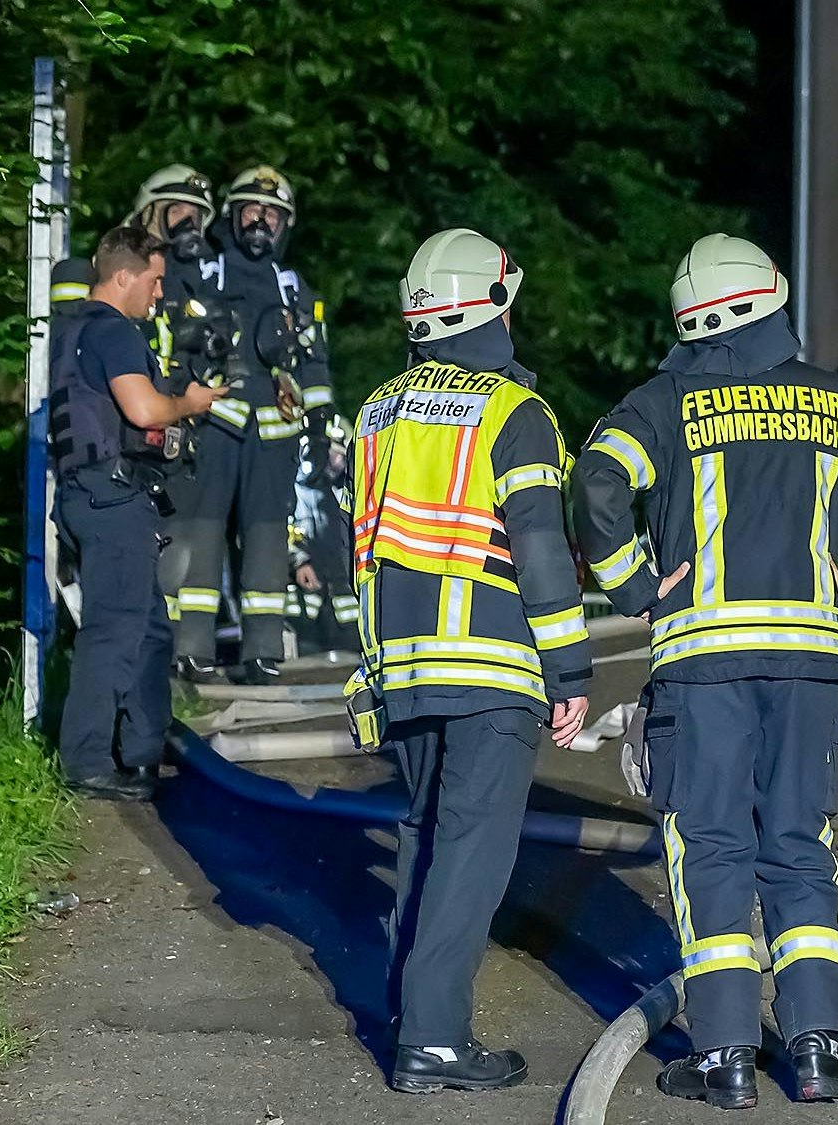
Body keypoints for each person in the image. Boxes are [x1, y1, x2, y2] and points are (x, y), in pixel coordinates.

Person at [576, 233, 838, 1108]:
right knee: (797, 846)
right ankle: (818, 1048)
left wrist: (636, 583)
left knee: (709, 846)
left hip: (703, 666)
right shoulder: (836, 406)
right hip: (807, 666)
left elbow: (596, 483)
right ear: (774, 300)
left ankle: (723, 1058)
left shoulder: (661, 402)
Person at [350, 228, 592, 1093]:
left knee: (422, 834)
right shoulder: (511, 410)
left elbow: (369, 545)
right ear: (491, 304)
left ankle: (410, 1012)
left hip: (405, 664)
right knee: (471, 849)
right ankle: (436, 1039)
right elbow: (538, 546)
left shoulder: (377, 406)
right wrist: (569, 669)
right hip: (490, 664)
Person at [50, 227, 227, 799]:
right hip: (112, 498)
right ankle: (87, 763)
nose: (158, 294)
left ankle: (143, 753)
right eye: (153, 280)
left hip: (93, 494)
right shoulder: (115, 333)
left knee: (149, 630)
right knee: (114, 631)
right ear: (123, 275)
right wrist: (190, 403)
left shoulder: (72, 330)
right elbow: (145, 409)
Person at [176, 165, 336, 684]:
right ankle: (191, 648)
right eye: (252, 210)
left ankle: (262, 650)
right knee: (201, 537)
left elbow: (313, 361)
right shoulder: (208, 271)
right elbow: (178, 339)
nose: (261, 221)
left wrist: (321, 418)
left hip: (274, 437)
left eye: (272, 213)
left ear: (284, 223)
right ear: (232, 217)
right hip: (215, 426)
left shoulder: (294, 287)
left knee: (267, 541)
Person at [125, 165, 239, 658]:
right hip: (139, 424)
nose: (189, 224)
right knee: (148, 540)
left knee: (192, 544)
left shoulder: (203, 277)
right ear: (151, 212)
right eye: (178, 212)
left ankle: (183, 652)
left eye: (196, 215)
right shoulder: (127, 267)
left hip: (191, 429)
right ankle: (152, 649)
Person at [288, 413, 359, 655]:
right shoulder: (296, 489)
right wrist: (299, 562)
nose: (335, 463)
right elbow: (284, 530)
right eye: (332, 454)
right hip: (305, 605)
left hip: (346, 608)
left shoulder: (351, 493)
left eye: (341, 456)